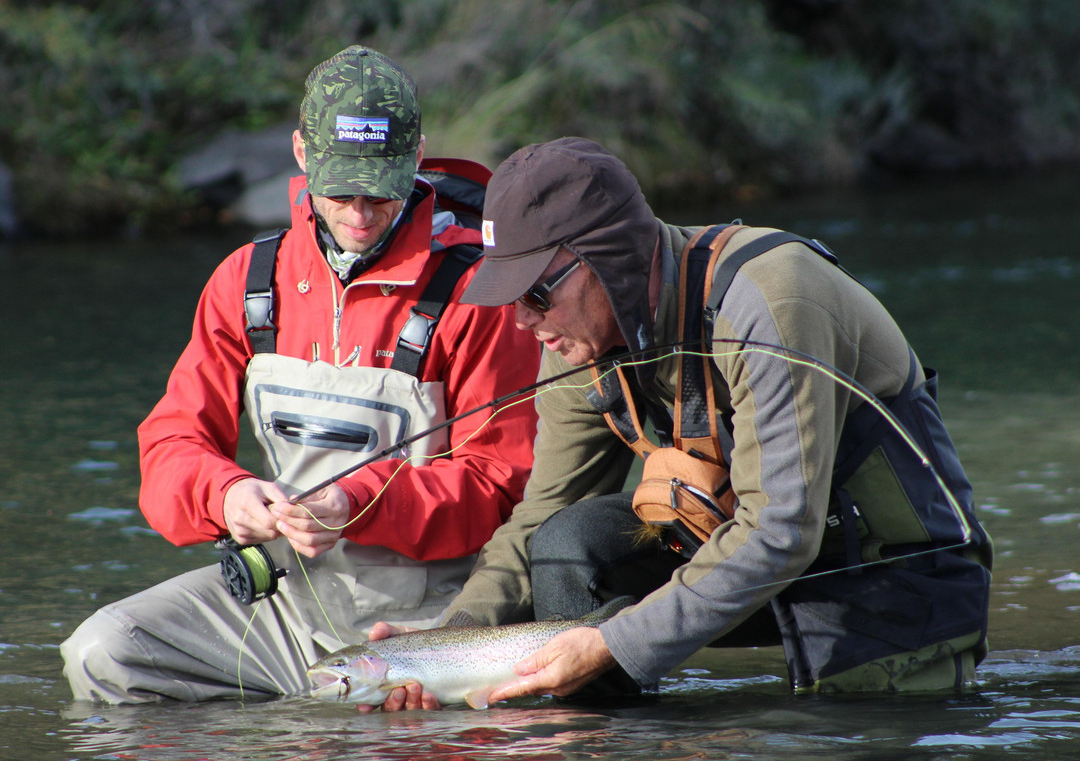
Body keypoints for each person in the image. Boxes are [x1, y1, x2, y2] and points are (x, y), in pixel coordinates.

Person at [378, 135, 993, 709]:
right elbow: (541, 514)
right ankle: (604, 739)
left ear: (610, 259)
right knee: (568, 545)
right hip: (741, 557)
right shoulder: (577, 337)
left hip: (882, 570)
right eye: (508, 299)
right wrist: (442, 644)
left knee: (829, 735)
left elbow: (780, 532)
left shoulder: (772, 300)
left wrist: (613, 644)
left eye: (535, 295)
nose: (520, 321)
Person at [60, 46, 540, 704]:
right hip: (285, 602)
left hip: (434, 615)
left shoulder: (480, 290)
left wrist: (358, 501)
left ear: (418, 155)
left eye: (380, 188)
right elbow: (171, 447)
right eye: (342, 188)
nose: (361, 213)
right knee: (101, 654)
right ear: (301, 154)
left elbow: (506, 485)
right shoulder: (246, 282)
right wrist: (226, 495)